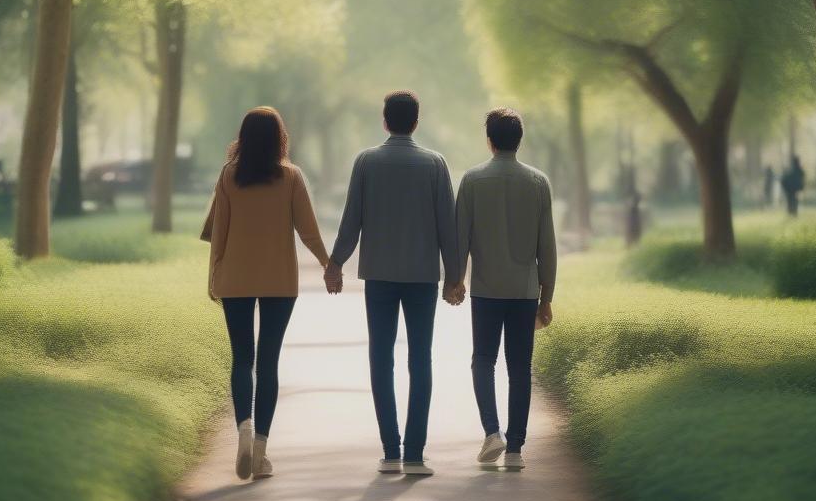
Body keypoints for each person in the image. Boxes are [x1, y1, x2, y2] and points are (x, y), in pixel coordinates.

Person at [325, 91, 463, 477]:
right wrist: (455, 277)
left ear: (385, 121)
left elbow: (352, 220)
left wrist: (335, 263)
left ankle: (390, 451)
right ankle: (415, 454)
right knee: (420, 359)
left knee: (380, 358)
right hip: (421, 277)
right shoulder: (435, 164)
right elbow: (447, 227)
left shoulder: (366, 162)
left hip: (379, 276)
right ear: (416, 122)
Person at [201, 107, 329, 481]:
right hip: (279, 281)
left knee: (243, 358)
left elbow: (219, 233)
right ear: (279, 138)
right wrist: (328, 265)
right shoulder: (291, 177)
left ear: (244, 137)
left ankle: (242, 425)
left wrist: (213, 277)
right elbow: (308, 231)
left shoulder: (228, 176)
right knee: (269, 361)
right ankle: (259, 450)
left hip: (236, 279)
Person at [456, 108, 555, 471]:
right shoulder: (538, 182)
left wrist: (455, 279)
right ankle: (515, 449)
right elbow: (548, 247)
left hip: (485, 289)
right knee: (519, 368)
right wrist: (547, 297)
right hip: (525, 291)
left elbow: (460, 238)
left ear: (490, 140)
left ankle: (491, 432)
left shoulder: (472, 180)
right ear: (519, 139)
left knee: (483, 360)